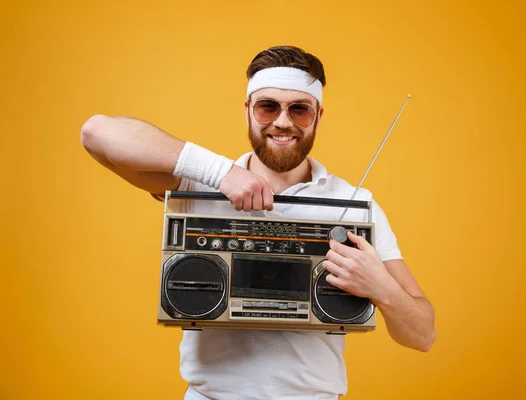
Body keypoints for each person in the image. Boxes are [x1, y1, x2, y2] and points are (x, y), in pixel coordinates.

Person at [80, 45, 436, 400]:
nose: (283, 121)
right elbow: (96, 133)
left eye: (299, 109)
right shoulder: (197, 184)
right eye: (268, 107)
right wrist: (219, 173)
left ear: (318, 116)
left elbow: (422, 336)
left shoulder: (357, 205)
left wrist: (382, 289)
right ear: (247, 110)